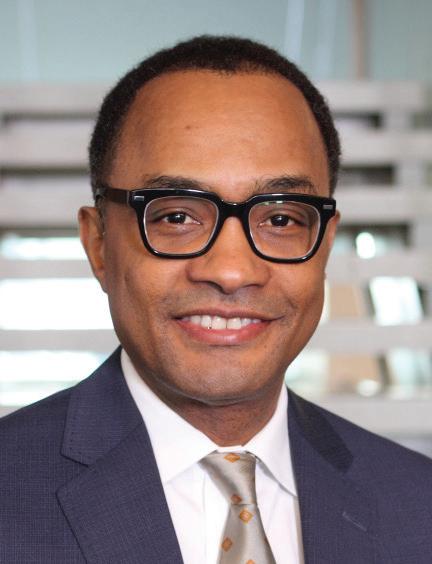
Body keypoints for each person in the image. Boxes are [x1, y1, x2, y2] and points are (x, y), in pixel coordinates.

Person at [1, 35, 431, 564]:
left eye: (281, 218)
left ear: (325, 244)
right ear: (99, 244)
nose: (231, 271)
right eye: (177, 216)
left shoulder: (419, 505)